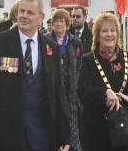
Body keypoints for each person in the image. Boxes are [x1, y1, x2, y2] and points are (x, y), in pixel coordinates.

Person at [0, 0, 70, 151]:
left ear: (41, 17)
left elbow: (58, 94)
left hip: (42, 136)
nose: (24, 16)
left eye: (30, 12)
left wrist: (64, 136)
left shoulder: (51, 49)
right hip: (7, 135)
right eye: (21, 11)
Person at [77, 12, 128, 151]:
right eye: (104, 31)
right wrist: (104, 94)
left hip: (125, 132)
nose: (109, 34)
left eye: (112, 30)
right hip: (97, 134)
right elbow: (82, 91)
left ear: (117, 33)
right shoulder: (88, 61)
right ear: (98, 35)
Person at [45, 9, 83, 151]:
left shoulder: (75, 42)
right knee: (54, 132)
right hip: (53, 92)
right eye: (56, 21)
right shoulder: (45, 40)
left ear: (67, 24)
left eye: (62, 21)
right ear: (52, 24)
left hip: (71, 94)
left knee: (73, 134)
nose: (59, 24)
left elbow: (80, 66)